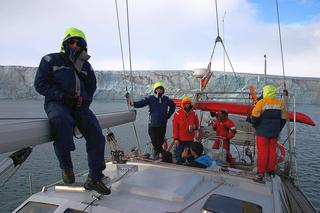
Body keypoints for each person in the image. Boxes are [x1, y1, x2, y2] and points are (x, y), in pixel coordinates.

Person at [34, 27, 110, 195]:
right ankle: (66, 168)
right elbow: (40, 84)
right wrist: (63, 96)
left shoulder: (86, 66)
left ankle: (94, 178)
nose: (75, 45)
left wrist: (84, 102)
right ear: (65, 43)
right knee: (61, 121)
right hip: (57, 104)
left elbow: (91, 88)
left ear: (84, 46)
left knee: (97, 135)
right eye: (72, 42)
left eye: (79, 43)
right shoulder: (50, 60)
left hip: (79, 107)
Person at [127, 81, 176, 159]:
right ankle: (163, 154)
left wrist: (168, 115)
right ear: (155, 90)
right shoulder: (151, 98)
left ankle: (157, 155)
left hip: (163, 124)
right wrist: (132, 103)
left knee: (160, 141)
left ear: (163, 90)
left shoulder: (166, 99)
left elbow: (173, 106)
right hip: (153, 124)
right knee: (154, 141)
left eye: (161, 89)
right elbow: (141, 103)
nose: (159, 90)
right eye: (158, 89)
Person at [251, 85, 286, 182]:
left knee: (262, 151)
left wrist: (256, 126)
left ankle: (261, 172)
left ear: (265, 92)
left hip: (262, 132)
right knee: (272, 151)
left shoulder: (261, 102)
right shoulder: (280, 103)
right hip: (274, 132)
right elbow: (284, 119)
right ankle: (271, 171)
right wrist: (278, 129)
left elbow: (254, 117)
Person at [172, 96, 199, 164]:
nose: (187, 105)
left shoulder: (194, 113)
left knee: (191, 157)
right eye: (185, 104)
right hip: (180, 140)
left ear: (190, 104)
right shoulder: (177, 114)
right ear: (182, 104)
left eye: (188, 103)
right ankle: (179, 168)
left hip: (190, 139)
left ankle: (191, 167)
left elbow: (197, 125)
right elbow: (175, 127)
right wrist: (176, 138)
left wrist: (195, 127)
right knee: (179, 156)